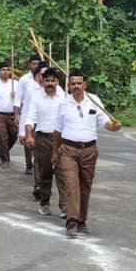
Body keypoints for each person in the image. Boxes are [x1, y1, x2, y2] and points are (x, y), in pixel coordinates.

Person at [54, 69, 121, 237]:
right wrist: (55, 152)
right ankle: (71, 221)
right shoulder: (63, 103)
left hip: (89, 150)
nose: (76, 86)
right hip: (68, 149)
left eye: (79, 83)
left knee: (85, 186)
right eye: (72, 84)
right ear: (68, 86)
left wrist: (114, 127)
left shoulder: (94, 101)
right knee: (71, 185)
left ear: (84, 84)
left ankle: (82, 219)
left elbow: (105, 122)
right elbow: (57, 130)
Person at [24, 68, 67, 216]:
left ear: (57, 82)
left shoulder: (64, 98)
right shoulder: (36, 97)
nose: (50, 83)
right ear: (43, 81)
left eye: (53, 81)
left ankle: (64, 206)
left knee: (62, 173)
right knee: (45, 173)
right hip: (42, 139)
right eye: (47, 80)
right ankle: (44, 202)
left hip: (61, 140)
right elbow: (30, 118)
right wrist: (29, 135)